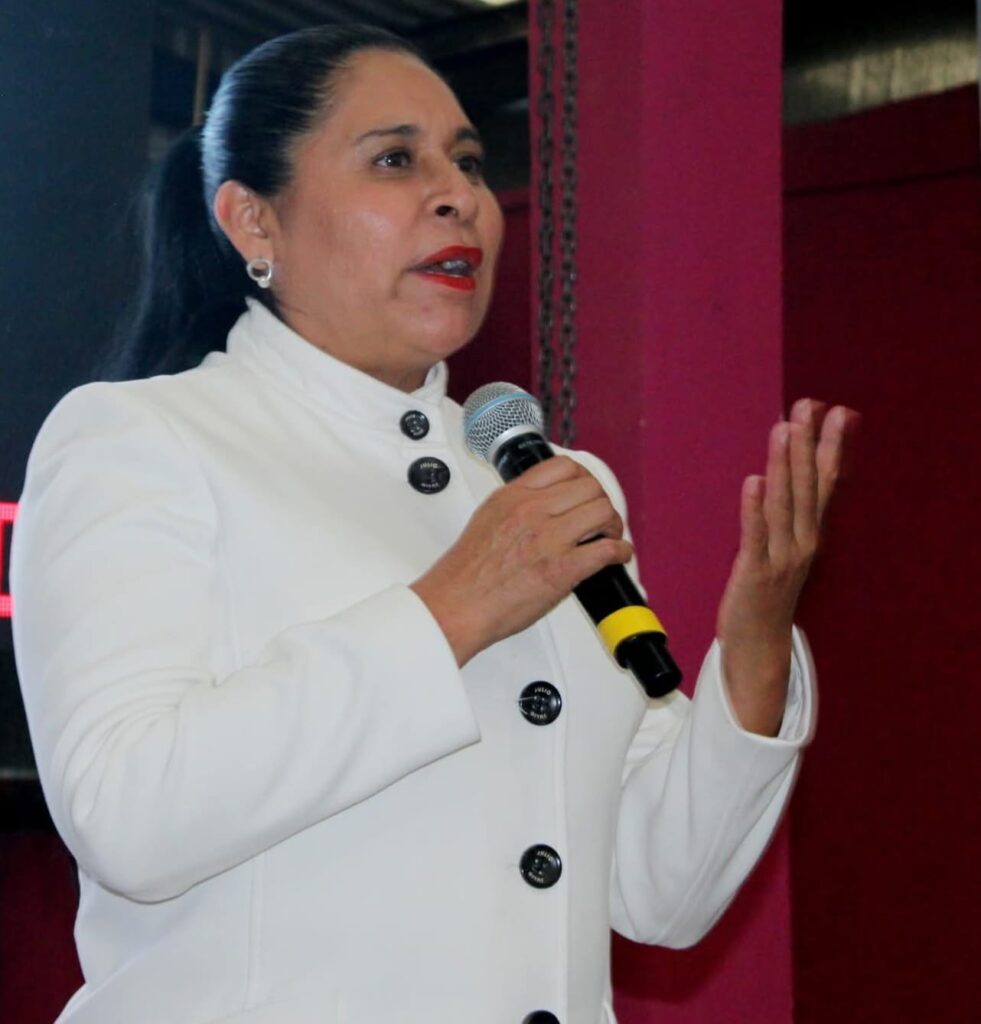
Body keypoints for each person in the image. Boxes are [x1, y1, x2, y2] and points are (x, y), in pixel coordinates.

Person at [11, 24, 856, 1024]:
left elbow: (659, 892)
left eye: (468, 161)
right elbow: (127, 815)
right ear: (252, 221)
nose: (458, 194)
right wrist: (453, 607)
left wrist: (754, 650)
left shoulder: (547, 483)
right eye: (395, 160)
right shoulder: (140, 439)